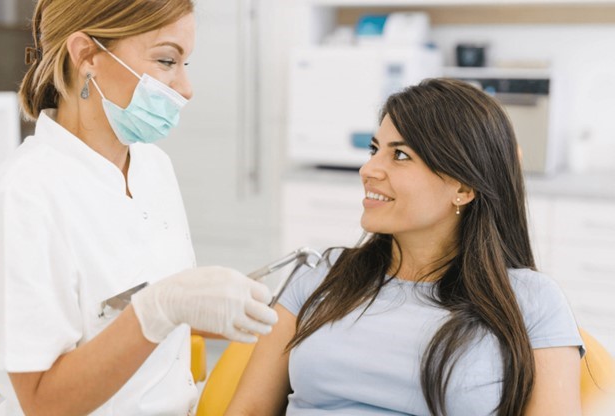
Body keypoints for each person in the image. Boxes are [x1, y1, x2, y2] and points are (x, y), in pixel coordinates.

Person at [226, 78, 585, 416]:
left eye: (400, 156)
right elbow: (250, 409)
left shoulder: (531, 301)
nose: (369, 169)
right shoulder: (322, 275)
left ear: (463, 188)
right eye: (374, 149)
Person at [0, 0, 278, 414]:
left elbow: (121, 323)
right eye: (166, 61)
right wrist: (160, 308)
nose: (185, 88)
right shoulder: (24, 195)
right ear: (87, 55)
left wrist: (213, 306)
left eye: (185, 64)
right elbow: (42, 402)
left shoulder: (152, 167)